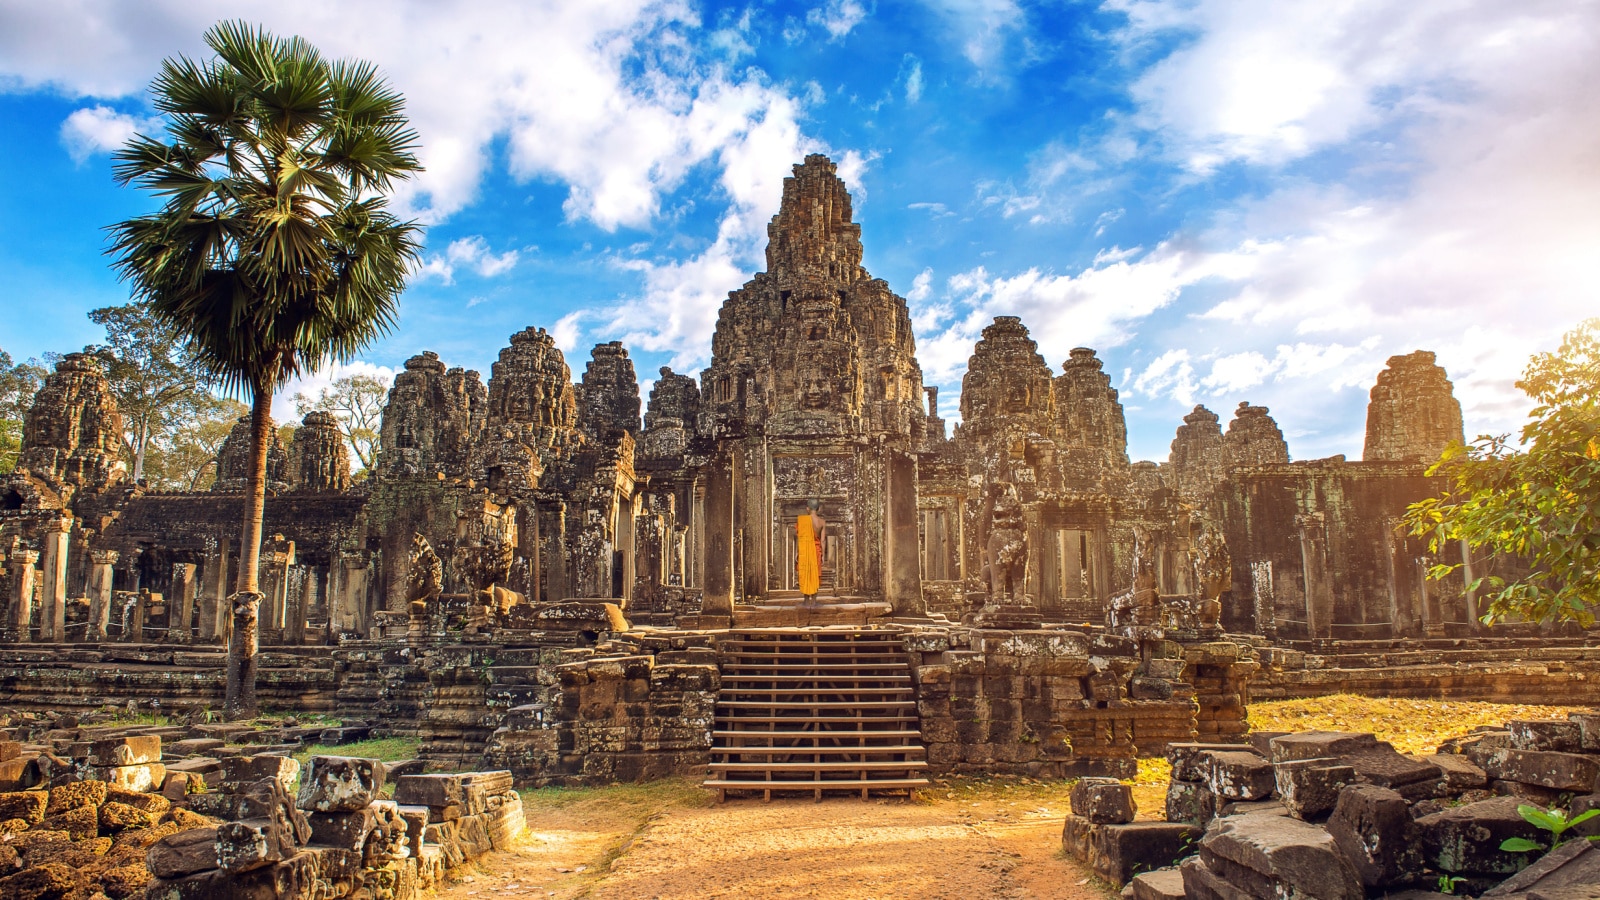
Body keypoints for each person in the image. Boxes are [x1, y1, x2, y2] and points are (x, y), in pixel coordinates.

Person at [796, 499, 826, 605]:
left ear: (807, 509)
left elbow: (800, 538)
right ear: (818, 509)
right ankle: (813, 600)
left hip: (804, 550)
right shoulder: (821, 522)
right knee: (815, 573)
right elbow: (822, 540)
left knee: (805, 572)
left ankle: (805, 599)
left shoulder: (802, 520)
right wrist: (823, 555)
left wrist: (797, 552)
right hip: (816, 550)